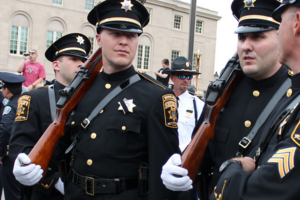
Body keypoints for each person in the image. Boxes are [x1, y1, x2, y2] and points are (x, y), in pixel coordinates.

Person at [13, 0, 182, 199]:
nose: (124, 41)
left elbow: (164, 171)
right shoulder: (79, 90)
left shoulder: (157, 95)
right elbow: (60, 146)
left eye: (131, 35)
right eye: (115, 33)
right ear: (99, 39)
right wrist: (27, 164)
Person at [160, 0, 293, 195]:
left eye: (258, 37)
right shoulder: (223, 94)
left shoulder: (293, 95)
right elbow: (203, 160)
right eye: (242, 37)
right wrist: (179, 169)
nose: (246, 46)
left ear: (280, 37)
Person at [9, 33, 91, 200]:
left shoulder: (93, 99)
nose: (81, 64)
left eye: (83, 60)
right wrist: (52, 180)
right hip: (46, 192)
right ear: (56, 64)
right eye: (73, 59)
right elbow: (21, 146)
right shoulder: (36, 99)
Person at [166, 56, 204, 152]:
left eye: (189, 76)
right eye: (182, 76)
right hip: (164, 157)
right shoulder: (161, 101)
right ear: (172, 78)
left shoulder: (198, 105)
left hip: (186, 158)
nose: (186, 80)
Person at [0, 72, 26, 200]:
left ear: (7, 90)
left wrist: (1, 152)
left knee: (12, 192)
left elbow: (5, 129)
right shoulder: (26, 103)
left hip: (12, 155)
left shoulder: (10, 106)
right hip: (26, 152)